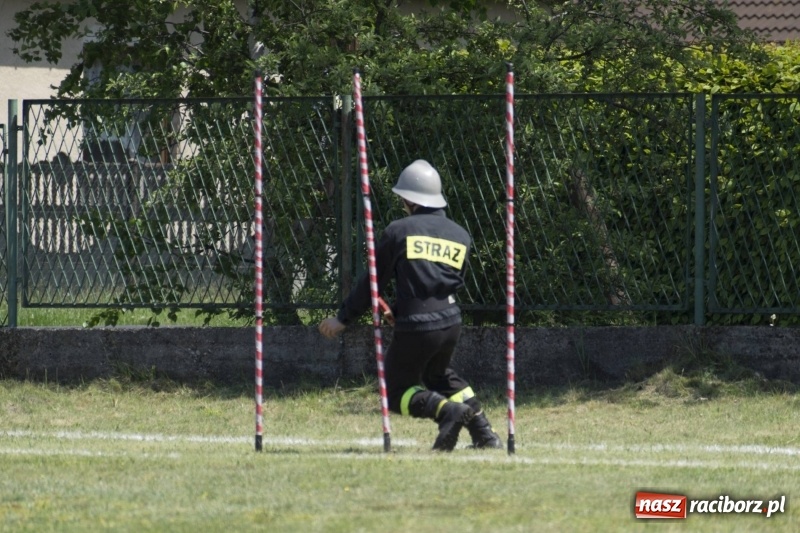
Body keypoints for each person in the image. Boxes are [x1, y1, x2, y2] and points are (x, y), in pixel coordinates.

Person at [318, 159, 502, 451]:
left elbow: (373, 281)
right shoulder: (460, 235)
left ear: (410, 199)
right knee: (438, 376)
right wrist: (400, 310)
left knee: (394, 392)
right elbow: (440, 281)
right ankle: (485, 435)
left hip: (419, 325)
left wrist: (343, 318)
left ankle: (447, 413)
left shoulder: (399, 230)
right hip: (451, 322)